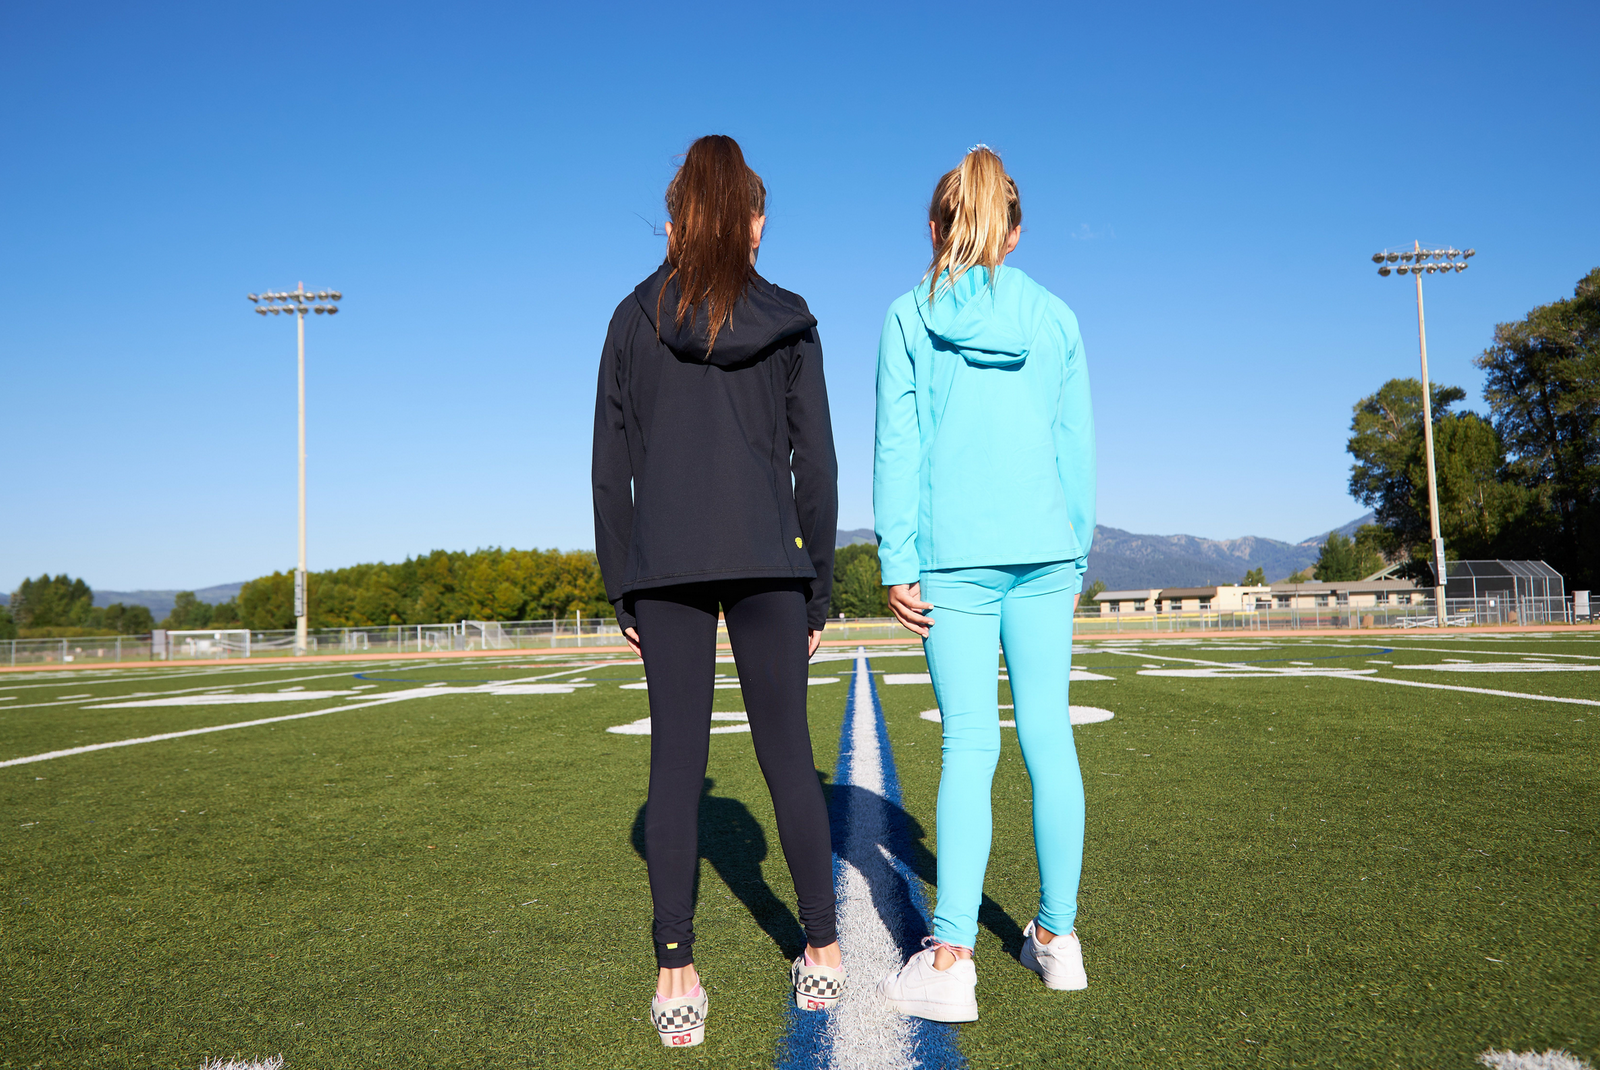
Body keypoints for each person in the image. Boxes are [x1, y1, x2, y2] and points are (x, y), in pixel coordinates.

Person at [591, 134, 844, 1049]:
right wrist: (817, 586)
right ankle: (823, 948)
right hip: (768, 561)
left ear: (676, 221)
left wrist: (623, 585)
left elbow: (607, 466)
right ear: (751, 222)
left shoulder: (630, 317)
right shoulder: (793, 317)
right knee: (788, 756)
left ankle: (675, 968)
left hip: (666, 566)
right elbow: (815, 464)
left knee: (673, 764)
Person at [872, 146, 1096, 1022]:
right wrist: (1074, 553)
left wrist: (898, 558)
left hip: (954, 560)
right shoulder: (1058, 318)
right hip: (1044, 554)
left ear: (935, 227)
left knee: (971, 743)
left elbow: (899, 444)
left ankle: (953, 956)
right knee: (1049, 738)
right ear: (1014, 231)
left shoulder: (905, 316)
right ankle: (1058, 939)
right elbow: (1074, 447)